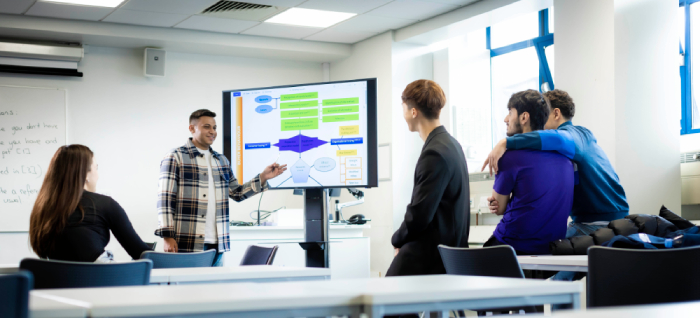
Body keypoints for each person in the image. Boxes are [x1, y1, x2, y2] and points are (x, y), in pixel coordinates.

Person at [483, 89, 628, 238]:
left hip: (603, 221)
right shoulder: (558, 152)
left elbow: (557, 138)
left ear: (556, 114)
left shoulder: (575, 135)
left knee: (553, 246)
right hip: (588, 219)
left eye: (545, 113)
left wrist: (506, 142)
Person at [155, 109, 287, 266]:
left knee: (214, 289)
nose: (212, 132)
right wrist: (167, 237)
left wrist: (263, 177)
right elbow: (165, 199)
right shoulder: (175, 157)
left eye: (214, 127)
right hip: (187, 242)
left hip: (218, 244)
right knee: (188, 290)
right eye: (206, 127)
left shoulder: (221, 160)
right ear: (192, 128)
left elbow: (236, 193)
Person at [387, 79, 470, 277]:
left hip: (433, 255)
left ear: (413, 112)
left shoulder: (434, 153)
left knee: (383, 299)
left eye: (404, 109)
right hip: (452, 251)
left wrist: (397, 240)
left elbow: (419, 215)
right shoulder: (452, 145)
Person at [483, 90, 574, 255]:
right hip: (551, 250)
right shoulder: (567, 160)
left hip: (512, 246)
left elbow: (499, 208)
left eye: (510, 112)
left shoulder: (508, 157)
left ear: (524, 117)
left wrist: (498, 202)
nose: (505, 119)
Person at [29, 145, 150, 263]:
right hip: (99, 281)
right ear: (86, 174)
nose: (98, 175)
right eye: (96, 168)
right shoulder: (106, 205)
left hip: (56, 282)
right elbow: (142, 254)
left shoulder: (42, 210)